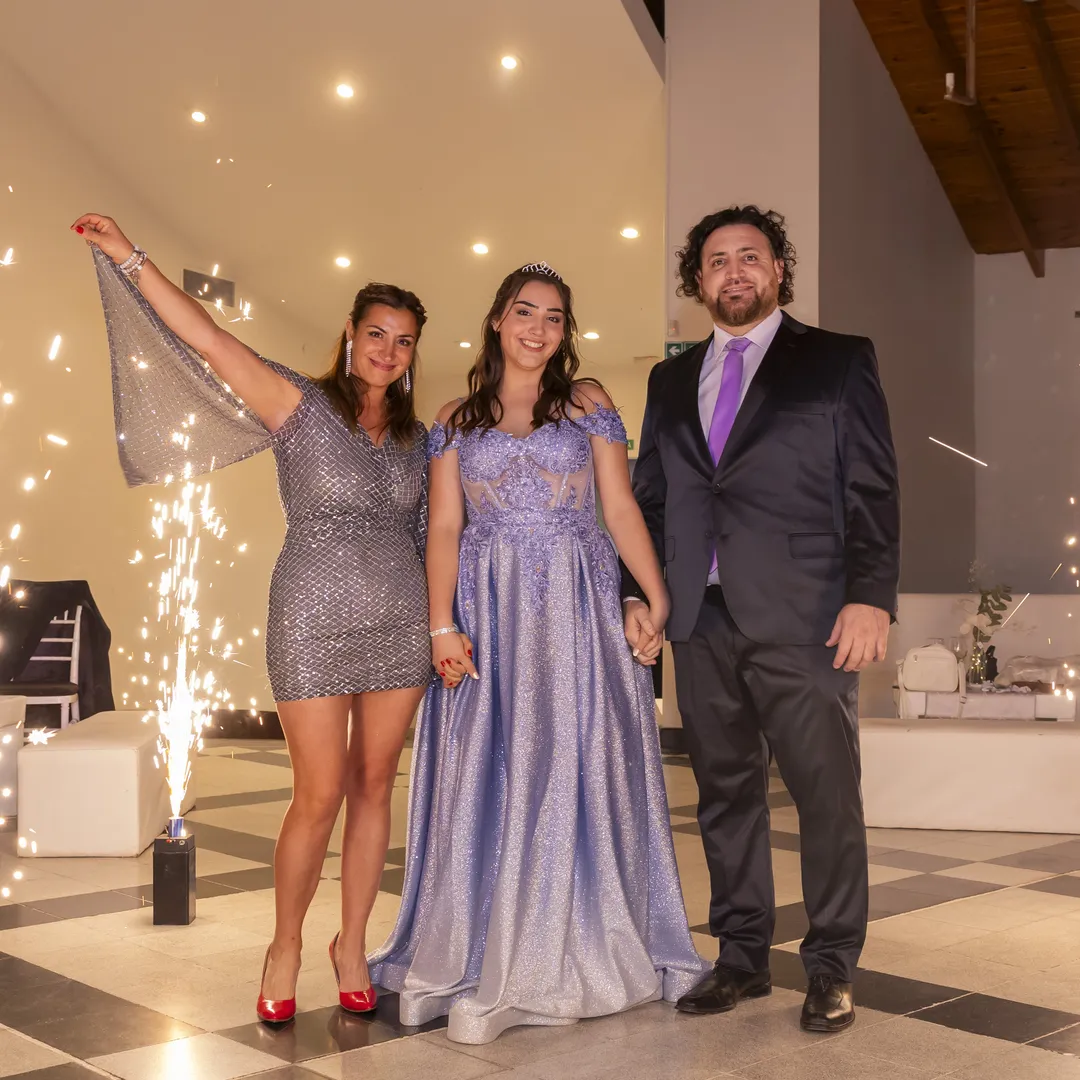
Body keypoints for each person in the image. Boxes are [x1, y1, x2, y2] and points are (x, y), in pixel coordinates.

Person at [72, 214, 432, 1024]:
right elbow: (206, 337)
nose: (388, 350)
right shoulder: (297, 403)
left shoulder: (420, 439)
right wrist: (130, 257)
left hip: (399, 622)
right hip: (310, 615)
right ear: (351, 334)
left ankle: (351, 944)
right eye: (377, 333)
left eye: (404, 341)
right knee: (319, 793)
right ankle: (285, 946)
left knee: (375, 785)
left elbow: (436, 534)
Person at [368, 261, 709, 1044]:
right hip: (486, 612)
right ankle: (482, 947)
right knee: (492, 765)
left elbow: (619, 507)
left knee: (569, 759)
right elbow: (444, 527)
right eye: (526, 312)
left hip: (576, 609)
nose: (539, 328)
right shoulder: (454, 419)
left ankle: (569, 946)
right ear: (498, 319)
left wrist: (653, 596)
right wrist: (441, 625)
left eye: (555, 317)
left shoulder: (587, 402)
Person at [623, 206, 900, 1033]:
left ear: (779, 270)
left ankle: (831, 965)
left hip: (808, 617)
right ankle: (741, 958)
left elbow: (872, 487)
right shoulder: (670, 382)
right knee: (724, 795)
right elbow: (650, 500)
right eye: (717, 261)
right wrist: (636, 594)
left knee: (825, 797)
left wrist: (870, 594)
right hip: (698, 621)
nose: (734, 271)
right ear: (698, 281)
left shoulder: (838, 360)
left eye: (750, 256)